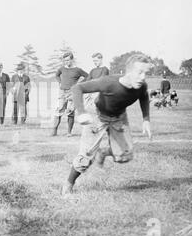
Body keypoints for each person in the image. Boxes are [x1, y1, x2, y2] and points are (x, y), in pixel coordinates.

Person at [61, 54, 152, 195]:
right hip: (98, 116)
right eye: (139, 72)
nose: (143, 77)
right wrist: (81, 112)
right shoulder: (109, 82)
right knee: (86, 157)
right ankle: (68, 184)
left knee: (125, 155)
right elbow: (77, 88)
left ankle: (102, 152)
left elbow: (144, 96)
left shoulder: (141, 86)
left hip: (119, 117)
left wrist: (146, 119)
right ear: (129, 71)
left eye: (146, 73)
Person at [52, 51, 88, 137]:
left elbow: (88, 76)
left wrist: (79, 84)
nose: (66, 62)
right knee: (59, 110)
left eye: (68, 60)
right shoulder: (62, 68)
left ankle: (69, 132)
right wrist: (60, 82)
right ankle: (54, 131)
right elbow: (57, 75)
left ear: (72, 60)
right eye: (65, 60)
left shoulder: (78, 70)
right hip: (62, 92)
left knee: (70, 112)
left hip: (72, 93)